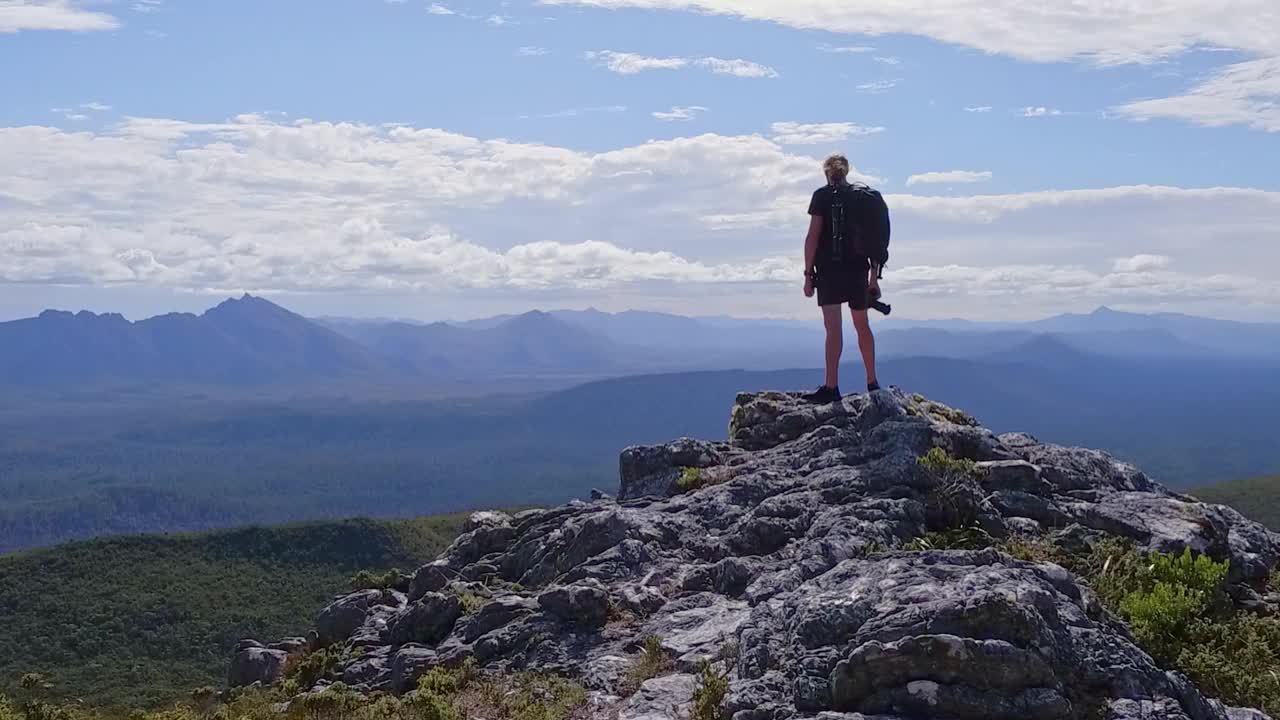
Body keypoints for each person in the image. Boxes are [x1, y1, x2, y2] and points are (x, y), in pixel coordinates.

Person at [801, 154, 883, 404]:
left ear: (825, 172)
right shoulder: (862, 197)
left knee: (833, 329)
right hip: (858, 270)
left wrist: (808, 275)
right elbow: (875, 241)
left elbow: (812, 237)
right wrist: (873, 278)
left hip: (828, 271)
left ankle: (831, 386)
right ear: (847, 171)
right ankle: (872, 382)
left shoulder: (821, 196)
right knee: (862, 326)